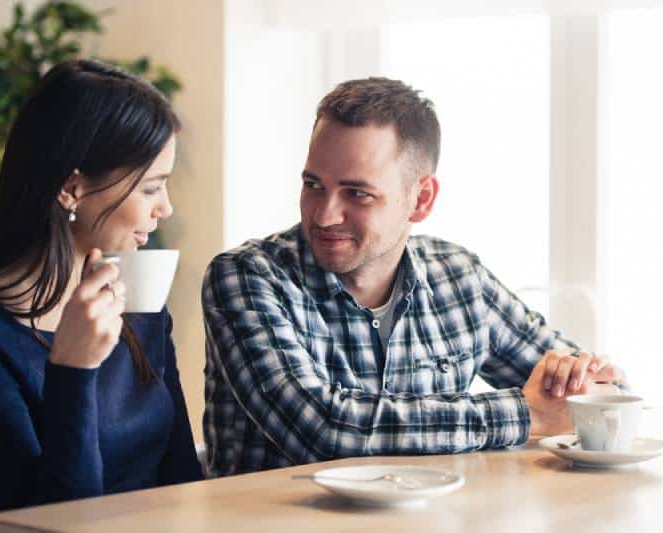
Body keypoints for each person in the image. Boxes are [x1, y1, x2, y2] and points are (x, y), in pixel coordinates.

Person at [202, 77, 626, 477]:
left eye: (357, 193)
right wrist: (528, 412)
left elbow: (597, 397)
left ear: (420, 199)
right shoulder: (246, 278)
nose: (325, 214)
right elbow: (323, 431)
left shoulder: (460, 279)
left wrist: (587, 380)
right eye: (314, 184)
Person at [0, 59, 202, 531]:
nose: (164, 208)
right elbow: (54, 522)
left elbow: (181, 481)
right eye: (151, 187)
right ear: (72, 188)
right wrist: (74, 369)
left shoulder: (135, 300)